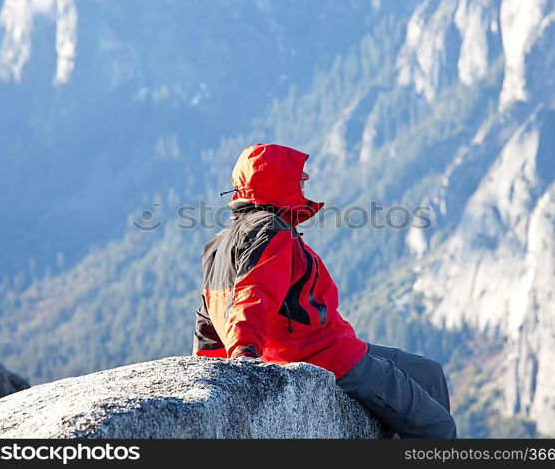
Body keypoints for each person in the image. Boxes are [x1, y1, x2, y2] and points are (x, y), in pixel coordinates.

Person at [192, 142, 457, 439]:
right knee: (437, 427)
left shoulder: (218, 243)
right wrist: (242, 355)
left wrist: (208, 369)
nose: (305, 179)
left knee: (428, 373)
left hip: (332, 344)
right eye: (296, 174)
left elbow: (208, 313)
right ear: (275, 181)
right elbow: (254, 294)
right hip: (325, 357)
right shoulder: (270, 231)